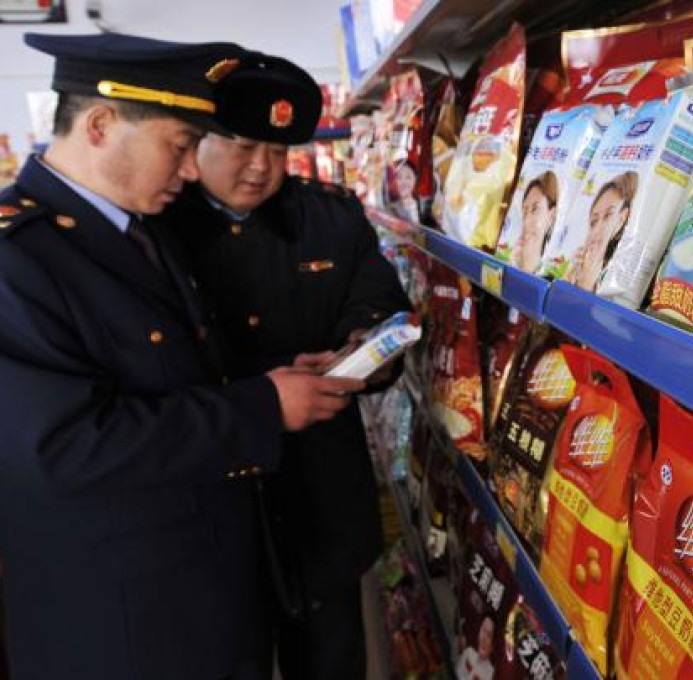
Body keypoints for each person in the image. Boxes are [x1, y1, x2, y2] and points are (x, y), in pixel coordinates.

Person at [0, 33, 360, 680]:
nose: (193, 170)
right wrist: (263, 407)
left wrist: (271, 381)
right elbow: (62, 446)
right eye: (181, 145)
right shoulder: (17, 258)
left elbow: (171, 376)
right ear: (102, 124)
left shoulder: (140, 228)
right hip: (124, 622)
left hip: (205, 589)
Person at [162, 53, 411, 680]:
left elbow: (383, 306)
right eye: (242, 145)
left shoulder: (328, 216)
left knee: (332, 657)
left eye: (277, 151)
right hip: (212, 509)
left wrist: (361, 352)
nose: (260, 168)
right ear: (197, 144)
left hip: (321, 494)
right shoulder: (158, 227)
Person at [575, 171, 637, 290]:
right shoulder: (577, 264)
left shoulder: (618, 275)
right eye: (593, 222)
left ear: (622, 218)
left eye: (608, 215)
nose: (596, 229)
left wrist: (586, 283)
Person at [516, 171, 557, 273]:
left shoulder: (551, 275)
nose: (526, 221)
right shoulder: (511, 261)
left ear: (551, 216)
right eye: (525, 211)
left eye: (535, 209)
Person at [456, 616, 495, 680]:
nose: (484, 638)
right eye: (483, 631)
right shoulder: (468, 652)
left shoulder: (491, 675)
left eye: (489, 635)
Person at [388, 158, 420, 223]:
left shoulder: (423, 209)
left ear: (415, 180)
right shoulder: (388, 208)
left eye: (408, 177)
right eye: (399, 177)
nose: (403, 182)